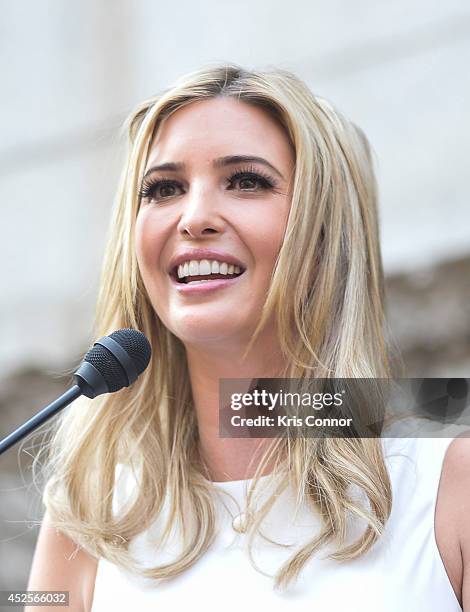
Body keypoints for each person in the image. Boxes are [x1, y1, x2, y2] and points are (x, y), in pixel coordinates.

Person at [26, 63, 470, 612]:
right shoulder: (87, 513)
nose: (194, 217)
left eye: (247, 181)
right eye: (164, 188)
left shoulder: (450, 485)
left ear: (324, 231)